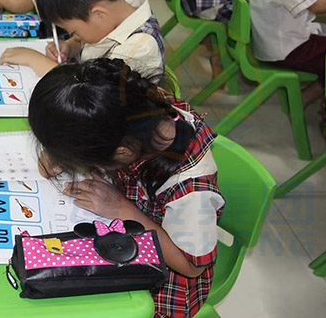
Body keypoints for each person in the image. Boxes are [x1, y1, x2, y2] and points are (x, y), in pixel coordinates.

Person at [28, 58, 224, 318]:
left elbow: (190, 266)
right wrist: (61, 149)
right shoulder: (135, 105)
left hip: (161, 290)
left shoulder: (192, 193)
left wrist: (123, 210)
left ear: (123, 152)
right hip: (125, 235)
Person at [0, 0, 165, 85]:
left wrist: (37, 61)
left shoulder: (138, 48)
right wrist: (71, 46)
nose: (75, 35)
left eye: (74, 31)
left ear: (98, 14)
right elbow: (93, 37)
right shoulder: (118, 10)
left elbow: (91, 94)